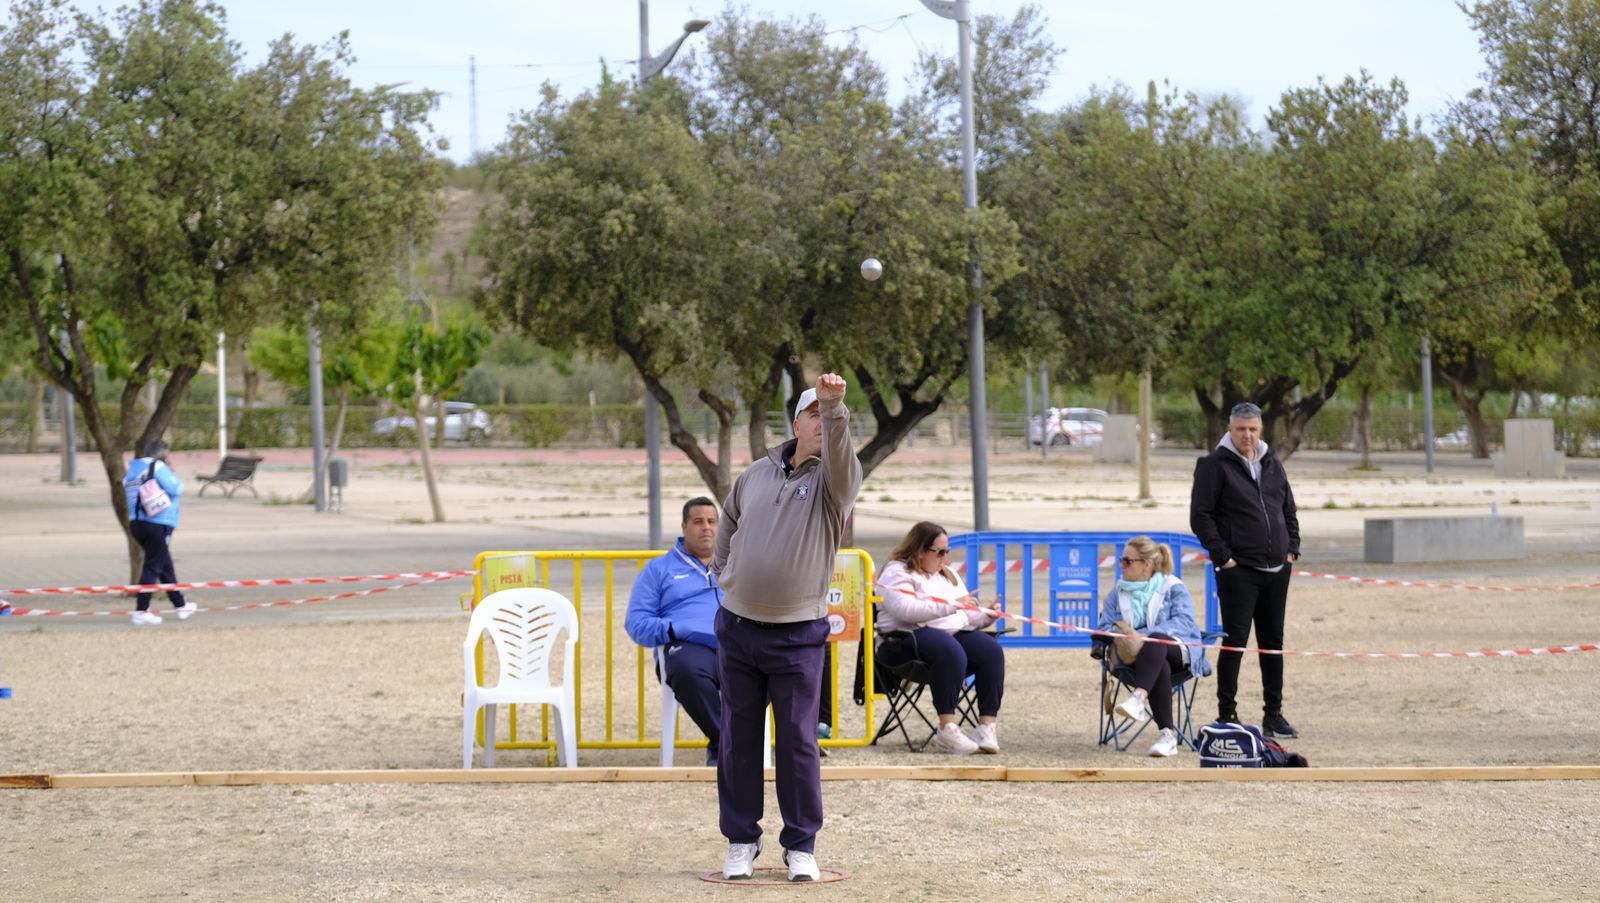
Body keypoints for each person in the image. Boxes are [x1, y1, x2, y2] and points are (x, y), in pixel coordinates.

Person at [713, 373, 861, 883]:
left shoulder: (835, 479)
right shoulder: (755, 472)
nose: (824, 423)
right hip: (737, 625)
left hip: (798, 631)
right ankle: (741, 840)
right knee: (738, 736)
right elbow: (729, 519)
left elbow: (841, 454)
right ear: (796, 422)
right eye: (815, 414)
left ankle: (800, 845)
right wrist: (724, 571)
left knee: (797, 740)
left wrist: (835, 403)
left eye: (831, 417)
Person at [1190, 401, 1300, 740]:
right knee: (1235, 642)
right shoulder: (1213, 466)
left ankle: (1274, 714)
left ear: (1261, 430)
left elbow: (1287, 507)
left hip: (1277, 568)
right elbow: (1201, 517)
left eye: (1253, 429)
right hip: (1239, 569)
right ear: (1230, 429)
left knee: (1272, 642)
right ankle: (1227, 714)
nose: (1247, 436)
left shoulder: (1272, 463)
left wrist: (1292, 548)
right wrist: (1224, 556)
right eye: (1241, 429)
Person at [874, 521, 1005, 755]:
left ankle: (986, 726)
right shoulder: (897, 572)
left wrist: (987, 615)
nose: (945, 557)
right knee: (948, 648)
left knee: (990, 650)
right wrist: (951, 606)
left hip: (946, 635)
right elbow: (905, 610)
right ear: (920, 551)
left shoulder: (947, 575)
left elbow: (964, 616)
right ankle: (947, 728)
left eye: (947, 552)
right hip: (902, 640)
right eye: (940, 552)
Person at [624, 497, 724, 765]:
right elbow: (636, 623)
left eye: (712, 522)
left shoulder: (736, 564)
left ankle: (723, 745)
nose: (706, 528)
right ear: (683, 526)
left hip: (735, 644)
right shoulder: (659, 569)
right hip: (687, 648)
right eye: (698, 521)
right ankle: (735, 746)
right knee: (688, 671)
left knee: (775, 663)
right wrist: (679, 628)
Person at [1097, 535, 1211, 757]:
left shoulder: (1173, 587)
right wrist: (1120, 632)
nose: (1121, 565)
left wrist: (1140, 635)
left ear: (1146, 565)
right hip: (1133, 660)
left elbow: (1184, 622)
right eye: (1121, 560)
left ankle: (1138, 698)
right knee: (1160, 663)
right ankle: (1167, 736)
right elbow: (1103, 626)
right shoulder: (1117, 593)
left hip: (1180, 652)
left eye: (1127, 561)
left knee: (1156, 640)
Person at [121, 440, 198, 626]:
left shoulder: (133, 469)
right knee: (153, 566)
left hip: (136, 523)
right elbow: (177, 488)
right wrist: (170, 470)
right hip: (158, 522)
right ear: (162, 454)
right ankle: (141, 610)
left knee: (164, 565)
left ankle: (181, 605)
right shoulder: (157, 467)